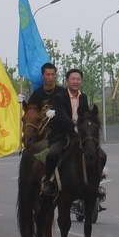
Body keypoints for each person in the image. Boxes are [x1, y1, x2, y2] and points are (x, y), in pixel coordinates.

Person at [40, 68, 89, 196]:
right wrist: (73, 126)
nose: (75, 82)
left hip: (80, 135)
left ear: (81, 82)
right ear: (67, 81)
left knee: (98, 154)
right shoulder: (59, 97)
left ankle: (95, 182)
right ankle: (48, 181)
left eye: (78, 79)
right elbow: (61, 116)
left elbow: (85, 115)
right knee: (52, 154)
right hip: (62, 135)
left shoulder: (84, 97)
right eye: (73, 79)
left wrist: (84, 126)